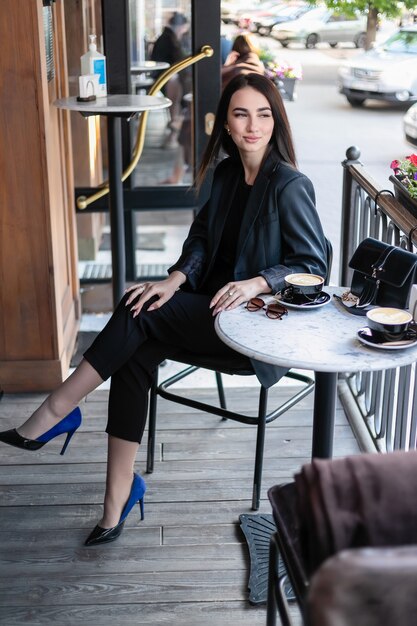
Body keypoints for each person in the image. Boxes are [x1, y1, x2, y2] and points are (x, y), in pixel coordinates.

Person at [0, 73, 328, 546]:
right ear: (227, 125)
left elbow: (311, 264)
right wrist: (175, 279)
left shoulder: (290, 185)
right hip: (206, 313)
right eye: (241, 114)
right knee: (139, 325)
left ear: (275, 121)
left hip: (252, 327)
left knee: (141, 312)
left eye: (263, 114)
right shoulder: (226, 174)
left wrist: (255, 281)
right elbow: (199, 239)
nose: (253, 125)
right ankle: (117, 499)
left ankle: (58, 408)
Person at [151, 11, 190, 148]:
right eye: (184, 28)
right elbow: (177, 61)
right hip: (168, 79)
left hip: (164, 78)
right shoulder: (169, 39)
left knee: (176, 104)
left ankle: (173, 133)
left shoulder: (166, 37)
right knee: (177, 104)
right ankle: (173, 134)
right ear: (180, 27)